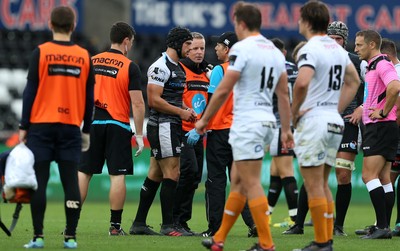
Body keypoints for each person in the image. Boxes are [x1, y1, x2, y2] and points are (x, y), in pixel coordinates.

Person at [193, 2, 293, 250]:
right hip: (267, 121)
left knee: (250, 182)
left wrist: (204, 120)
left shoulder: (242, 49)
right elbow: (282, 93)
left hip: (248, 121)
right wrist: (287, 128)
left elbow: (226, 87)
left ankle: (266, 243)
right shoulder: (272, 50)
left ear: (241, 24)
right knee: (237, 179)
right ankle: (219, 239)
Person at [18, 6, 95, 249]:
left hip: (40, 126)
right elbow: (89, 97)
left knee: (39, 182)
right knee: (70, 181)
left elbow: (29, 92)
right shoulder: (84, 56)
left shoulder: (40, 52)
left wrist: (23, 126)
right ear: (73, 27)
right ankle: (70, 237)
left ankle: (38, 237)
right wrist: (86, 130)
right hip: (71, 127)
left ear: (50, 25)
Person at [291, 1, 360, 250]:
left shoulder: (311, 47)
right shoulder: (337, 49)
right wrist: (336, 109)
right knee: (322, 183)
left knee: (313, 184)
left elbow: (301, 83)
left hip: (315, 120)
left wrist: (294, 114)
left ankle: (321, 242)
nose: (298, 23)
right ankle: (326, 239)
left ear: (307, 21)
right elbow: (354, 80)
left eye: (300, 18)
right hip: (333, 121)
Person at [78, 22, 145, 236]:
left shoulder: (91, 61)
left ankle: (71, 224)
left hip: (92, 123)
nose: (131, 46)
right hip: (117, 124)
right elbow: (137, 103)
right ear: (126, 41)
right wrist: (140, 134)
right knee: (117, 176)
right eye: (131, 43)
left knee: (83, 173)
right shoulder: (129, 66)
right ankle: (115, 227)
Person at [129, 26, 195, 236]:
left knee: (156, 174)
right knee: (173, 173)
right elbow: (154, 101)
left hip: (171, 124)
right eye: (187, 44)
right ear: (176, 43)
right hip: (163, 125)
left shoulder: (178, 67)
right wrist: (180, 112)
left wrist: (184, 109)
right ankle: (168, 226)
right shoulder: (160, 67)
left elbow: (170, 98)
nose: (190, 48)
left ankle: (139, 223)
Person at [197, 31, 257, 238]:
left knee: (216, 180)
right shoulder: (249, 71)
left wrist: (202, 124)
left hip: (220, 132)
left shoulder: (220, 71)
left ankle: (215, 228)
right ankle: (254, 224)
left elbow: (214, 101)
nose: (216, 48)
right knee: (242, 181)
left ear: (229, 49)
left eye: (220, 46)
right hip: (242, 132)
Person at [354, 30, 400, 239]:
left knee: (368, 176)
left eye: (359, 45)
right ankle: (384, 227)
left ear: (372, 45)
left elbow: (395, 87)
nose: (355, 49)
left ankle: (382, 226)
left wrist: (381, 112)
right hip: (385, 127)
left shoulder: (382, 63)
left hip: (380, 126)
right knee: (383, 178)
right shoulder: (373, 65)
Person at [326, 21, 366, 236]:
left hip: (347, 122)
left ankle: (338, 225)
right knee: (316, 174)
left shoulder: (355, 61)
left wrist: (361, 107)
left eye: (338, 39)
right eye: (330, 38)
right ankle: (300, 223)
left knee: (342, 174)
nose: (334, 42)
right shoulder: (317, 59)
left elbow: (370, 88)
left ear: (344, 41)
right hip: (322, 122)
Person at [173, 31, 210, 235]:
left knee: (194, 176)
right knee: (188, 172)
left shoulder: (207, 72)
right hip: (183, 131)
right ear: (186, 49)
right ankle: (175, 220)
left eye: (202, 48)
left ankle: (182, 222)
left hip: (199, 132)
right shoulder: (179, 71)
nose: (198, 52)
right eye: (194, 48)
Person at [266, 38, 299, 229]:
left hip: (281, 123)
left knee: (285, 170)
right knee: (275, 170)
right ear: (284, 52)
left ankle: (295, 219)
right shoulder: (295, 68)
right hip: (294, 122)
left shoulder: (271, 69)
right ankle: (267, 214)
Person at [380, 38, 400, 237]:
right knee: (388, 178)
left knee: (388, 178)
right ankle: (383, 223)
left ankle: (385, 225)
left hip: (396, 131)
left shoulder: (395, 74)